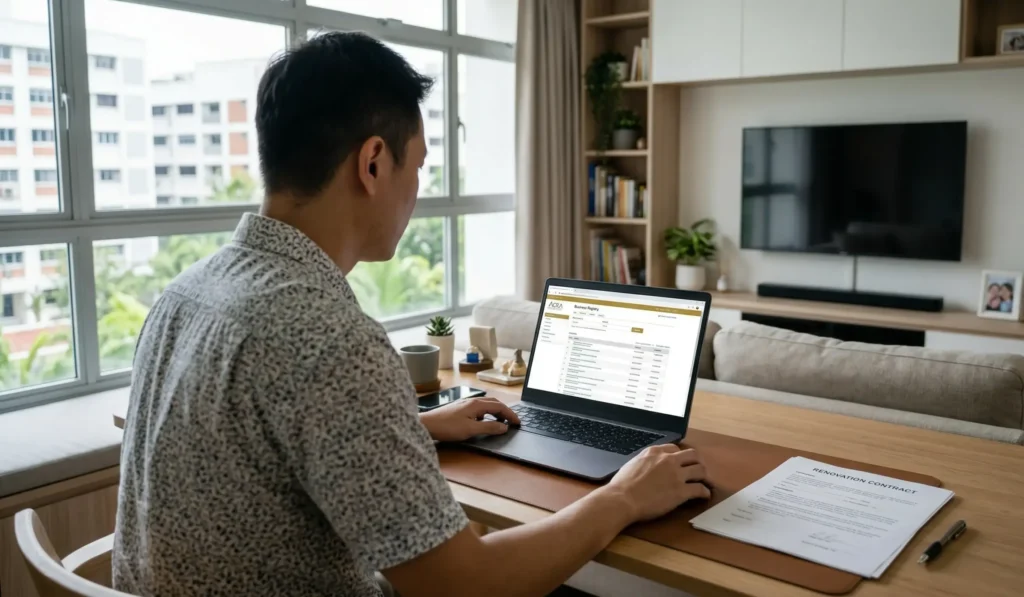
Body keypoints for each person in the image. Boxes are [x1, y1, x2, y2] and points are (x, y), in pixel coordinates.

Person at [113, 31, 709, 597]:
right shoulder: (328, 336)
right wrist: (623, 497)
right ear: (372, 164)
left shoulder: (185, 294)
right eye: (418, 165)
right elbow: (463, 587)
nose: (418, 189)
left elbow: (263, 449)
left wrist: (413, 425)